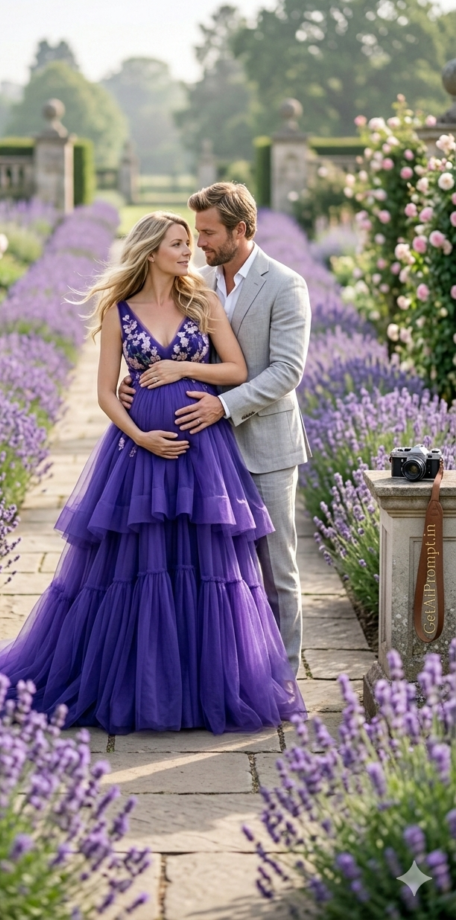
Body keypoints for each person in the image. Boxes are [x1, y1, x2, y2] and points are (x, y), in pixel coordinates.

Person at [0, 211, 305, 734]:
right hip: (138, 454)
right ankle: (137, 685)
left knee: (208, 567)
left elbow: (237, 370)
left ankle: (213, 684)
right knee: (135, 567)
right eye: (178, 243)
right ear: (150, 251)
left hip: (203, 451)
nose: (189, 251)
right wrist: (139, 434)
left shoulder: (201, 299)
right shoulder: (118, 309)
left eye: (192, 241)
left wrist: (184, 368)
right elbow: (104, 391)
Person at [119, 185, 311, 676]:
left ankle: (283, 678)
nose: (198, 242)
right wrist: (133, 383)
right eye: (194, 234)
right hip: (204, 453)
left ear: (240, 231)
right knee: (219, 571)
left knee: (274, 570)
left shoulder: (285, 284)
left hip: (263, 445)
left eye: (207, 233)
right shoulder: (195, 281)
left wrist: (222, 407)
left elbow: (286, 371)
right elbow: (168, 344)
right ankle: (231, 672)